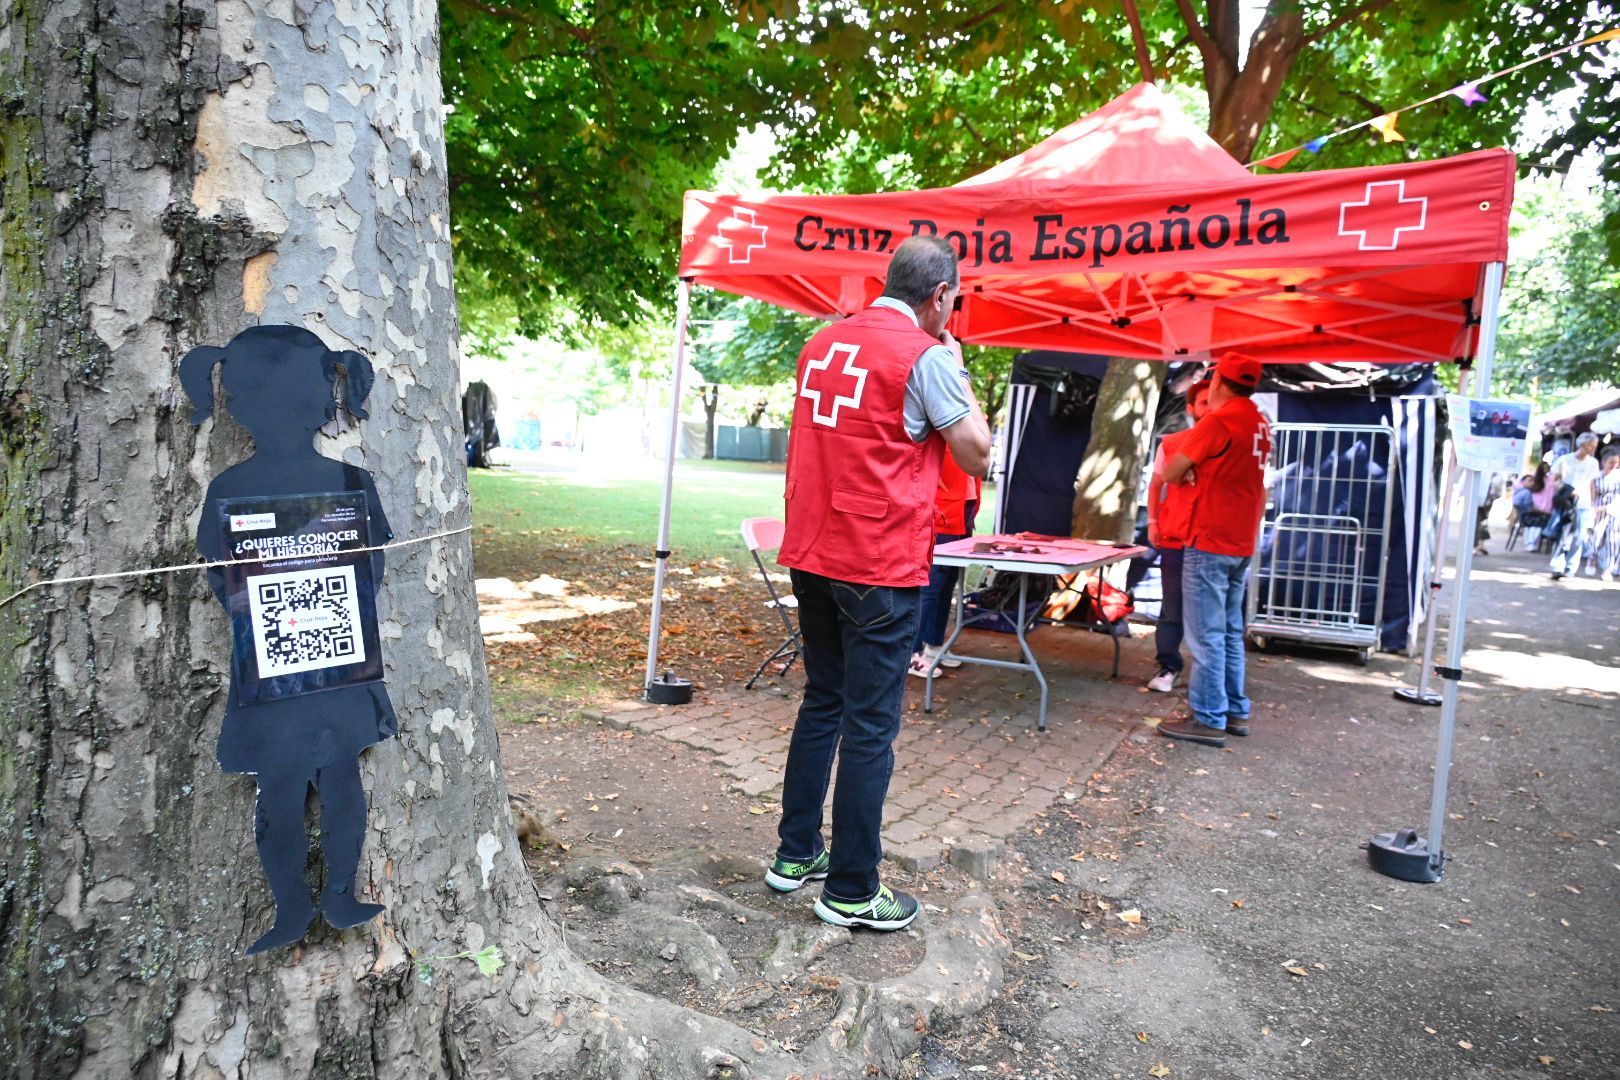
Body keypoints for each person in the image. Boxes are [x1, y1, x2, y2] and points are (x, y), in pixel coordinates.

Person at [766, 237, 991, 931]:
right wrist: (955, 366)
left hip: (811, 547)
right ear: (942, 295)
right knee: (870, 724)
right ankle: (853, 888)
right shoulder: (926, 356)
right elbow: (977, 452)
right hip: (879, 561)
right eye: (955, 297)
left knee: (823, 702)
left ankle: (795, 852)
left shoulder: (821, 342)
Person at [1156, 352, 1271, 748]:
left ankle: (1208, 717)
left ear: (1219, 380)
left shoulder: (1219, 421)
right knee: (1229, 632)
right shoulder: (1259, 422)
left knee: (1205, 635)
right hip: (1240, 539)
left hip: (1209, 537)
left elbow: (1172, 470)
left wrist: (1190, 468)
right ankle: (1235, 709)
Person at [1143, 376, 1212, 692]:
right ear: (1191, 407)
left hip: (1214, 541)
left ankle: (1210, 675)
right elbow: (1156, 485)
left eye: (1215, 401)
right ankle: (1168, 666)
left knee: (1213, 608)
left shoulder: (1232, 445)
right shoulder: (1170, 443)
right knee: (1172, 605)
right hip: (1177, 537)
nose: (1210, 409)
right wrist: (1154, 522)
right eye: (1204, 402)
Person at [908, 454, 981, 677]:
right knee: (932, 583)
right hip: (941, 508)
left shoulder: (975, 418)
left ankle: (933, 644)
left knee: (949, 581)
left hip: (964, 505)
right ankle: (912, 653)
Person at [1549, 432, 1602, 581]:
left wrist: (1593, 505)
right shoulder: (1564, 460)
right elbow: (1554, 481)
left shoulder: (1593, 463)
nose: (1593, 448)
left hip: (1584, 504)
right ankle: (1557, 567)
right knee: (1562, 535)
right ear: (1583, 444)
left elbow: (1592, 485)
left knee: (1580, 537)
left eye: (1594, 446)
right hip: (1567, 504)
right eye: (1591, 445)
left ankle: (1570, 568)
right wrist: (1568, 491)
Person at [1589, 452, 1620, 582]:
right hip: (1599, 511)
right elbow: (1592, 495)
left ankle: (1608, 569)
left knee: (1613, 541)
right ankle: (1592, 560)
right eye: (1611, 463)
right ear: (1604, 462)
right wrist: (1593, 509)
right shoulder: (1596, 477)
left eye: (1616, 463)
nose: (1614, 465)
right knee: (1596, 538)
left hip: (1615, 511)